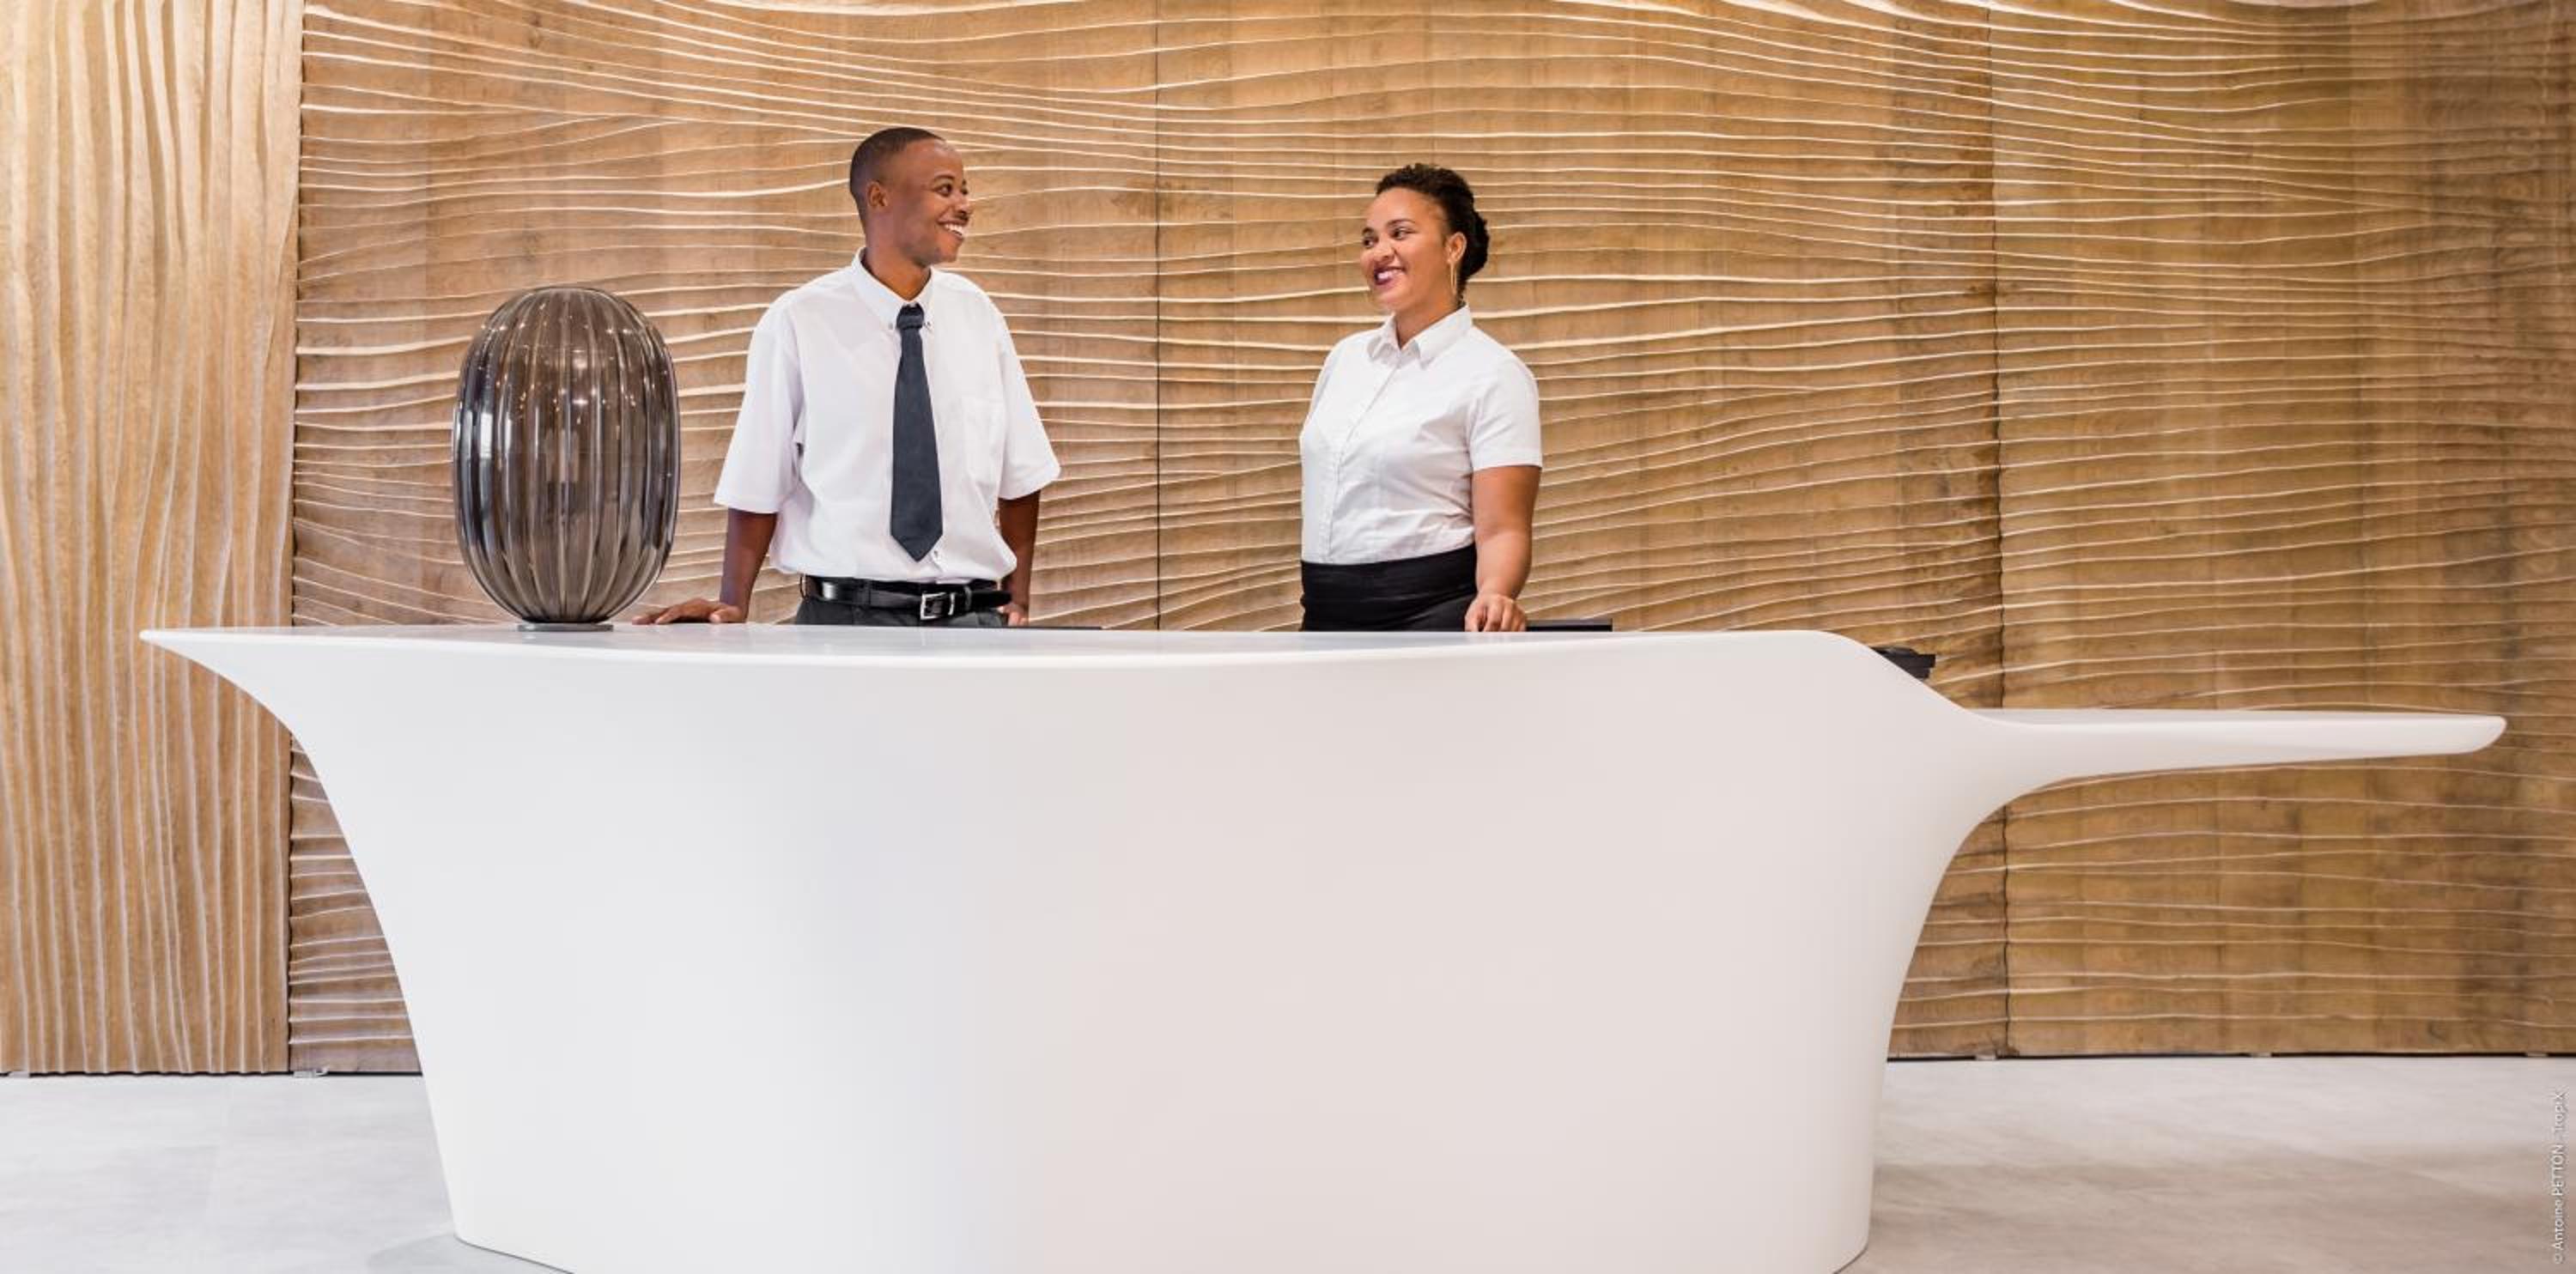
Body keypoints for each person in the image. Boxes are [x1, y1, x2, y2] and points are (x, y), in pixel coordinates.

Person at [636, 126, 1059, 628]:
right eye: (945, 189)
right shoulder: (800, 320)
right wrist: (734, 601)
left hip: (972, 623)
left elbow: (1021, 472)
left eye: (964, 190)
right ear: (879, 197)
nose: (964, 205)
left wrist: (1018, 600)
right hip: (843, 623)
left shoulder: (979, 316)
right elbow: (759, 478)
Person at [1297, 164, 1540, 633]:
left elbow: (1504, 528)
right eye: (1369, 240)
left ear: (1453, 248)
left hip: (1429, 617)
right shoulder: (1345, 359)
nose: (1379, 252)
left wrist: (1496, 593)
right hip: (1325, 613)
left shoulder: (1495, 373)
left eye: (1400, 233)